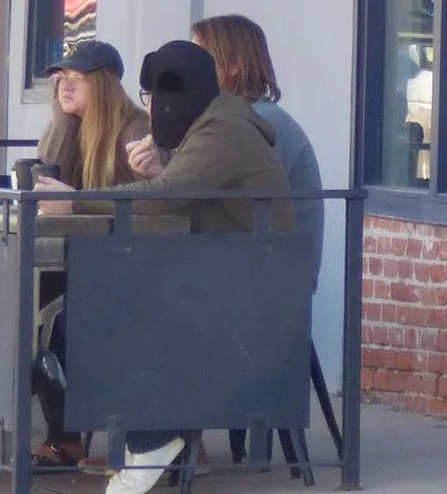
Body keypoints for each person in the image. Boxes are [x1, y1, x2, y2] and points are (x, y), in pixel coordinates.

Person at [38, 39, 290, 494]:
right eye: (150, 98)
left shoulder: (222, 130)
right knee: (80, 312)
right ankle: (142, 435)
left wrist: (72, 200)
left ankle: (156, 437)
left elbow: (164, 197)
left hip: (250, 289)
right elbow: (172, 191)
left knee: (112, 310)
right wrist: (156, 171)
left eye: (158, 97)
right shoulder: (213, 123)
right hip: (224, 271)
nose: (153, 109)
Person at [184, 14, 321, 268]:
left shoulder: (260, 122)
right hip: (253, 271)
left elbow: (213, 193)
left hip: (269, 277)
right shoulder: (239, 119)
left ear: (234, 66)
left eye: (200, 59)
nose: (190, 69)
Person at [35, 41, 150, 190]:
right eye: (62, 76)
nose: (66, 86)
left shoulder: (135, 129)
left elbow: (153, 201)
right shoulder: (64, 122)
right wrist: (63, 123)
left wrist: (76, 203)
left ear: (104, 86)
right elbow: (44, 191)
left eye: (77, 78)